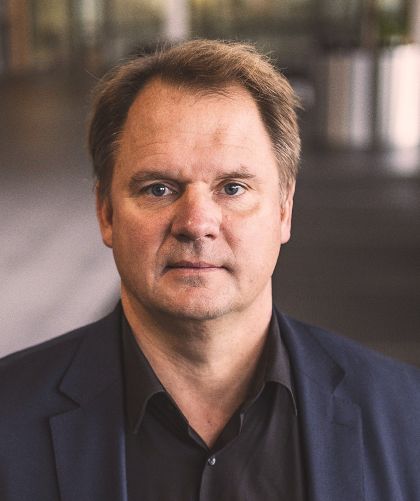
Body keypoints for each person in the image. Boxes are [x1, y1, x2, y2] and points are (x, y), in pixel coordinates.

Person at [0, 39, 419, 501]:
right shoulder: (8, 418)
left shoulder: (407, 415)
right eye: (158, 188)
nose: (196, 223)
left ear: (284, 209)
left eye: (233, 188)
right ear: (106, 213)